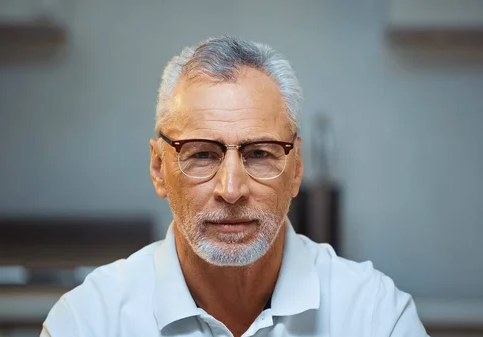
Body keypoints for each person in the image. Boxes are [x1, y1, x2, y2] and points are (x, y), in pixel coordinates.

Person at [41, 36, 428, 337]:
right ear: (159, 168)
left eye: (259, 153)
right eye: (202, 155)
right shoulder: (88, 320)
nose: (231, 189)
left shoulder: (374, 315)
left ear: (296, 172)